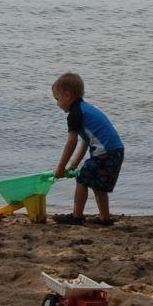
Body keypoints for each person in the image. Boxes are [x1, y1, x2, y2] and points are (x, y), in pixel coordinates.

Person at [51, 71, 124, 225]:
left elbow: (72, 142)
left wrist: (61, 167)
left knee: (82, 179)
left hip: (106, 153)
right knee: (99, 186)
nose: (57, 104)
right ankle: (105, 218)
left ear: (67, 95)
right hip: (116, 151)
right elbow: (85, 141)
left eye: (57, 99)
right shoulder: (85, 108)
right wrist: (74, 164)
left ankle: (77, 216)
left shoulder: (75, 114)